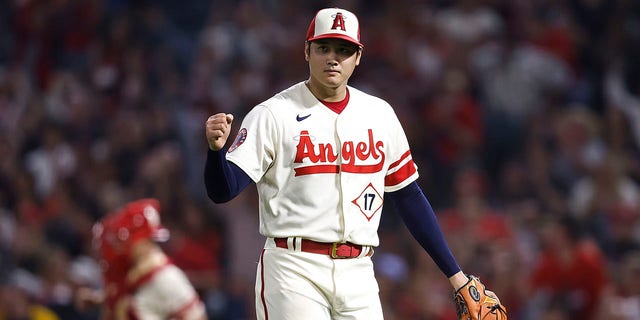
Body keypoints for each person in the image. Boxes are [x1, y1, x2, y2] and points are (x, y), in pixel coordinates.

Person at [204, 7, 501, 319]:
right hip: (293, 268)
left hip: (359, 272)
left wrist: (456, 276)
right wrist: (215, 152)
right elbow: (223, 190)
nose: (333, 57)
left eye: (344, 50)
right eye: (324, 48)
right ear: (307, 51)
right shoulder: (273, 114)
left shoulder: (379, 114)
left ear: (358, 56)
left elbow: (408, 196)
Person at [75, 198, 207, 320]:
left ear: (144, 241)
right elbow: (130, 289)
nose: (121, 247)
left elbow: (198, 317)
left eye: (128, 240)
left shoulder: (166, 277)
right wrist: (96, 299)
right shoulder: (140, 271)